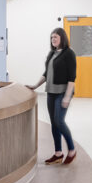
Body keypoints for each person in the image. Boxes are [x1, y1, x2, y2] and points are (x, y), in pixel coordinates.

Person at [26, 27, 77, 165]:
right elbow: (46, 73)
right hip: (51, 92)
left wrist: (67, 97)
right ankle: (58, 153)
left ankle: (72, 150)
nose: (53, 39)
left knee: (59, 121)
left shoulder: (69, 53)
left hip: (62, 92)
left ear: (62, 38)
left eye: (55, 37)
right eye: (51, 37)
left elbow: (72, 78)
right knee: (54, 123)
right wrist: (35, 85)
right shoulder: (52, 53)